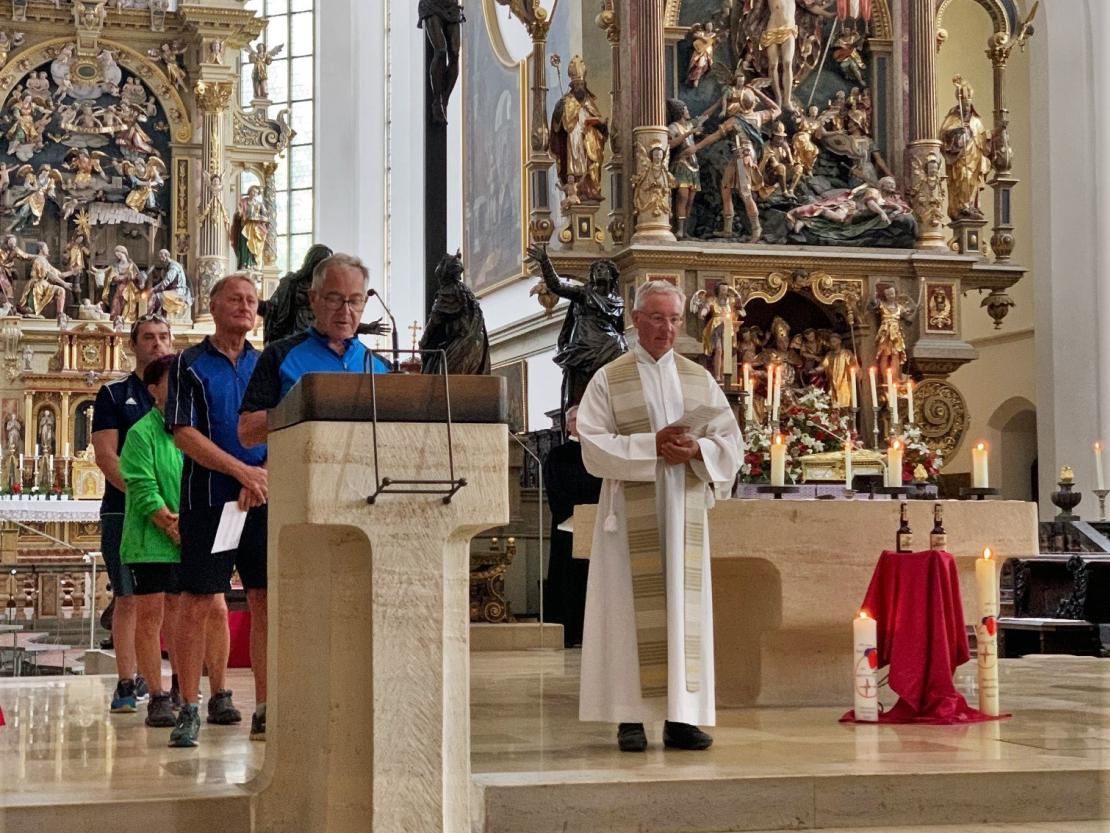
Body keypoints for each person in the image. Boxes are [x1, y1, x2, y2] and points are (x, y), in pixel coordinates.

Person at [575, 280, 742, 752]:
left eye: (673, 319)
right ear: (635, 319)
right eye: (656, 318)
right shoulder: (610, 378)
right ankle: (630, 717)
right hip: (629, 519)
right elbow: (592, 445)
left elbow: (731, 443)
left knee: (681, 612)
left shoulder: (699, 378)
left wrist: (697, 448)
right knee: (628, 611)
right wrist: (654, 446)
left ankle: (680, 717)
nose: (666, 328)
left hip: (684, 508)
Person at [165, 274, 268, 748]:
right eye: (235, 299)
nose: (245, 307)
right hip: (207, 499)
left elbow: (282, 426)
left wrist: (259, 475)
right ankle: (188, 705)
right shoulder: (189, 363)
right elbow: (183, 432)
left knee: (266, 602)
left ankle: (266, 707)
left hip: (262, 499)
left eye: (251, 300)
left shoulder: (266, 365)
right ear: (214, 305)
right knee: (197, 601)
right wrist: (241, 472)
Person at [92, 314, 174, 713]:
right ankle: (126, 681)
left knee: (171, 601)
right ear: (133, 344)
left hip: (174, 512)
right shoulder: (113, 394)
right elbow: (107, 456)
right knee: (129, 598)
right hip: (124, 510)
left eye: (163, 337)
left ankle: (168, 682)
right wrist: (146, 497)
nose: (157, 344)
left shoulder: (182, 393)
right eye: (148, 338)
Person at [239, 253, 389, 448]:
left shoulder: (379, 366)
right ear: (313, 298)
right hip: (303, 473)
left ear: (364, 303)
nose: (345, 311)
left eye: (354, 301)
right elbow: (247, 432)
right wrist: (306, 405)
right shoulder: (279, 355)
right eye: (334, 299)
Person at [118, 353, 183, 729]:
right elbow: (141, 487)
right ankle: (156, 695)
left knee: (181, 619)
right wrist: (169, 524)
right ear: (153, 390)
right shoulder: (142, 432)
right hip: (149, 540)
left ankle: (180, 687)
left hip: (183, 539)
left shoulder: (190, 429)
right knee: (150, 618)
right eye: (173, 383)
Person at [542, 406, 601, 648]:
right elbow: (554, 487)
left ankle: (592, 632)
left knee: (592, 579)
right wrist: (573, 514)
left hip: (597, 523)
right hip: (568, 525)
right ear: (567, 425)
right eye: (575, 419)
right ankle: (567, 631)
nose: (580, 423)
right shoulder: (557, 455)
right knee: (567, 578)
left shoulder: (599, 453)